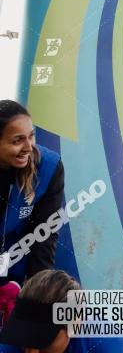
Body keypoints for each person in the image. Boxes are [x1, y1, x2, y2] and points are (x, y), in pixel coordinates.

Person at [0, 100, 64, 287]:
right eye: (17, 140)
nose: (29, 147)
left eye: (31, 136)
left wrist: (39, 291)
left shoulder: (49, 167)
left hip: (14, 267)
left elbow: (44, 234)